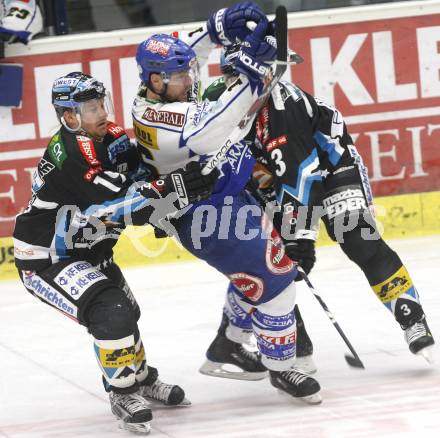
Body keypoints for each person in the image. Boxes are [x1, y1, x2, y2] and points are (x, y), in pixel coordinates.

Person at [200, 45, 435, 379]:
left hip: (333, 166)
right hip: (279, 179)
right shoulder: (216, 103)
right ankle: (298, 348)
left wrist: (302, 242)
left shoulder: (285, 110)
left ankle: (411, 317)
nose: (239, 85)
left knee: (358, 239)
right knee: (273, 264)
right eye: (232, 78)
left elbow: (303, 174)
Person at [132, 2, 322, 404]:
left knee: (254, 273)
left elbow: (188, 54)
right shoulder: (157, 119)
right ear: (154, 80)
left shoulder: (161, 91)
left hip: (225, 199)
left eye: (188, 72)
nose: (189, 79)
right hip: (206, 214)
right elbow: (214, 125)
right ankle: (281, 366)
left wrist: (214, 30)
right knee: (277, 278)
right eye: (179, 76)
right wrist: (253, 75)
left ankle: (228, 347)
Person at [13, 71, 218, 434]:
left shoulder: (112, 138)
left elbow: (140, 179)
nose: (102, 113)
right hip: (46, 260)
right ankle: (122, 392)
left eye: (101, 104)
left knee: (128, 313)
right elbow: (116, 205)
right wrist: (172, 190)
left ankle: (139, 379)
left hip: (90, 251)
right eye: (91, 108)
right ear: (69, 116)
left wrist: (172, 185)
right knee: (111, 312)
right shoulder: (72, 154)